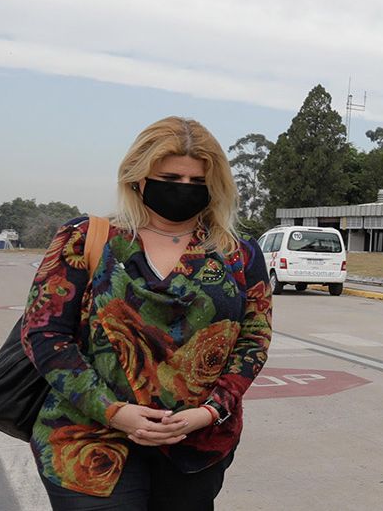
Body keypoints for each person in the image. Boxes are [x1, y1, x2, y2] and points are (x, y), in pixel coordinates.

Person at [20, 117, 271, 509]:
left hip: (195, 446)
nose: (183, 189)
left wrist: (209, 412)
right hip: (89, 440)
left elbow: (254, 340)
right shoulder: (86, 238)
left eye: (197, 182)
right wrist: (114, 412)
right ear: (138, 178)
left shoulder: (239, 254)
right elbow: (44, 333)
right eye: (170, 177)